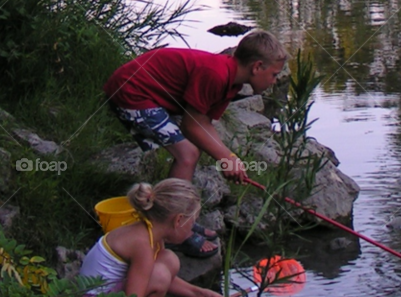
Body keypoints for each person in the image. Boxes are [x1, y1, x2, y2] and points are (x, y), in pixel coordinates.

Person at [103, 30, 287, 256]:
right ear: (257, 67)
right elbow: (191, 125)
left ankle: (183, 219)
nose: (275, 80)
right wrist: (226, 158)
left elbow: (202, 124)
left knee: (192, 150)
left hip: (154, 97)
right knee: (187, 154)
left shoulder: (231, 83)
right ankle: (173, 229)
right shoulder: (216, 74)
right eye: (274, 74)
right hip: (131, 91)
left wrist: (228, 158)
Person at [77, 179, 224, 297]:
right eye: (192, 222)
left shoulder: (149, 231)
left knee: (168, 259)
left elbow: (154, 277)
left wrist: (198, 293)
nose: (192, 228)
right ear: (178, 220)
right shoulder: (143, 245)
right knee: (160, 273)